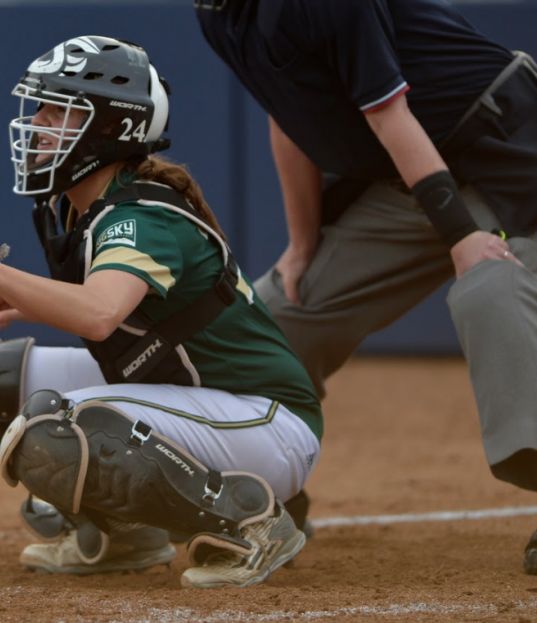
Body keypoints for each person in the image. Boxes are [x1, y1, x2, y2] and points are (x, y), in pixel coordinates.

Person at [0, 35, 324, 588]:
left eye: (59, 110)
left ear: (109, 129)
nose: (40, 124)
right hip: (198, 395)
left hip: (267, 422)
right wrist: (21, 292)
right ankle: (125, 537)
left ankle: (250, 522)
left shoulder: (140, 216)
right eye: (41, 107)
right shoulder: (89, 211)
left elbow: (99, 315)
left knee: (57, 424)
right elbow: (120, 313)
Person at [194, 0, 537, 573]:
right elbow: (290, 116)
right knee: (274, 317)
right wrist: (303, 244)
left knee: (491, 293)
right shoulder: (219, 13)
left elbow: (390, 116)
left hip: (508, 150)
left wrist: (461, 238)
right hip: (407, 179)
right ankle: (267, 488)